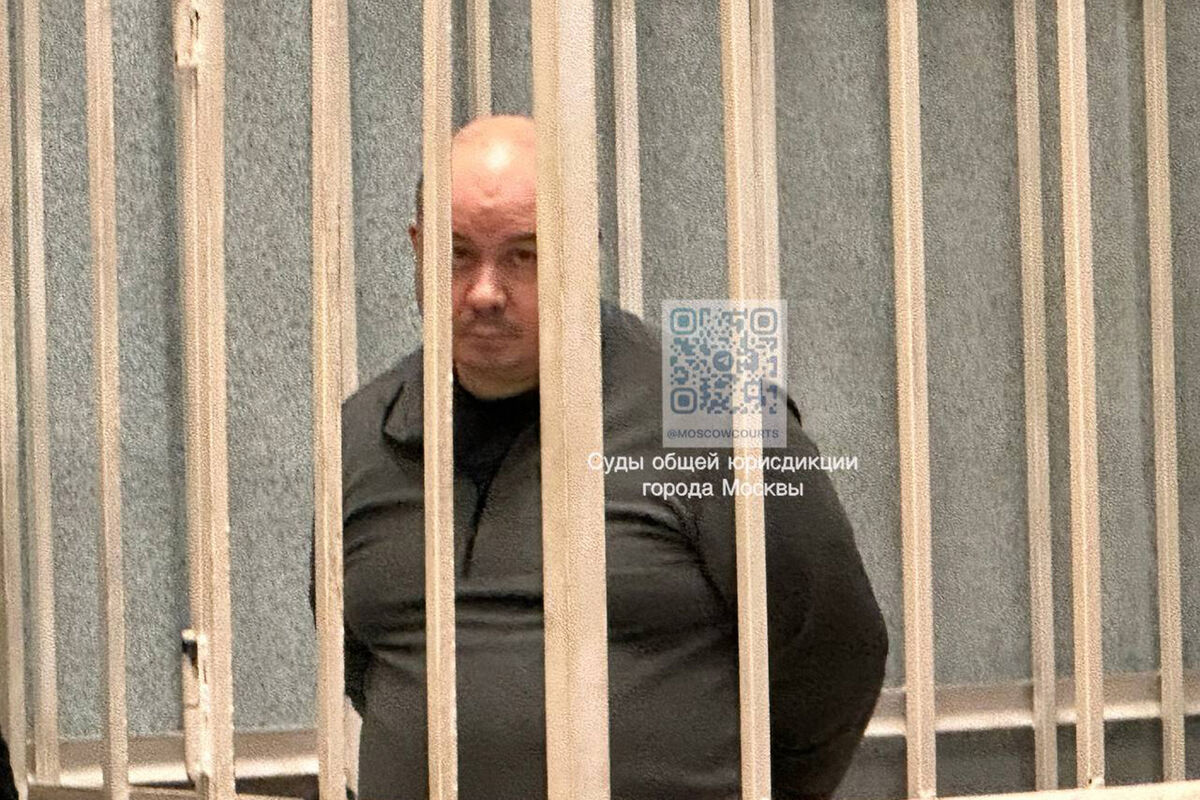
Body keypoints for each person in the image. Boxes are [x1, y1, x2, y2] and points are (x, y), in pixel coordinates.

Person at [310, 114, 887, 800]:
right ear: (417, 249)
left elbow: (836, 654)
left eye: (523, 255)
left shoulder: (716, 407)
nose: (484, 291)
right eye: (457, 254)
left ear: (586, 251)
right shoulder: (362, 433)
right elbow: (357, 658)